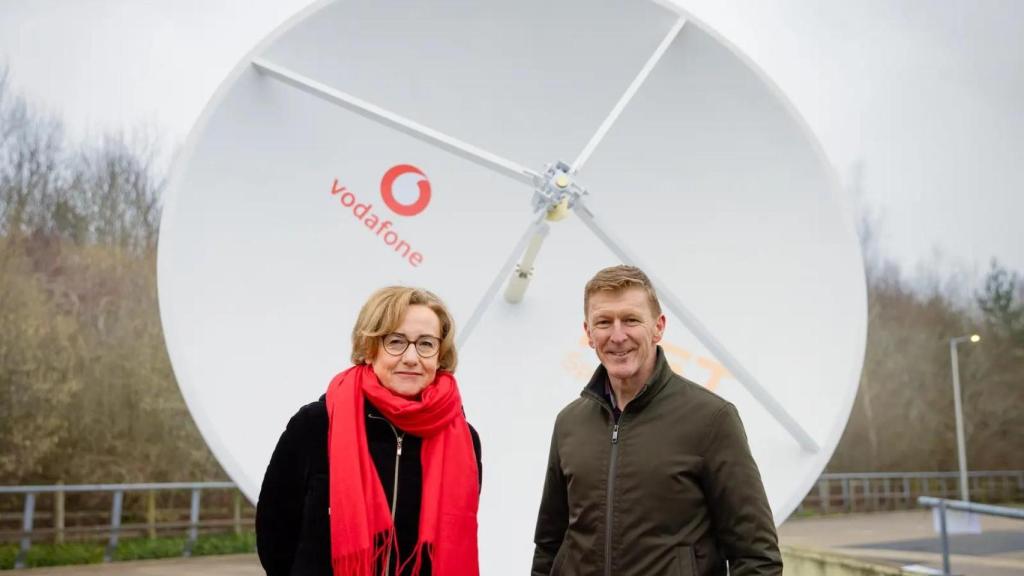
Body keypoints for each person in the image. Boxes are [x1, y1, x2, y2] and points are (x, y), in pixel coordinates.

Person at [532, 265, 782, 576]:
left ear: (658, 327)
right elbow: (549, 546)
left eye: (631, 320)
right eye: (604, 322)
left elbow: (757, 557)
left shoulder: (711, 420)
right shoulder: (569, 423)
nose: (618, 336)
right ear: (588, 334)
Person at [257, 286, 481, 576]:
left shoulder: (464, 440)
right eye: (396, 341)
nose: (412, 357)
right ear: (369, 347)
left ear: (440, 355)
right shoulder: (316, 424)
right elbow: (275, 532)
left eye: (426, 344)